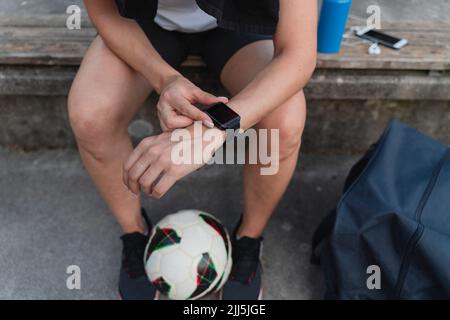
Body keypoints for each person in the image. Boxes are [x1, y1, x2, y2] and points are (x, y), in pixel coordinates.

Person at [68, 0, 317, 300]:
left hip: (242, 27)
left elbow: (298, 56)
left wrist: (213, 129)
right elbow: (104, 10)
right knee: (91, 116)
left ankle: (249, 238)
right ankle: (135, 234)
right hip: (144, 21)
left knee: (285, 122)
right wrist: (166, 78)